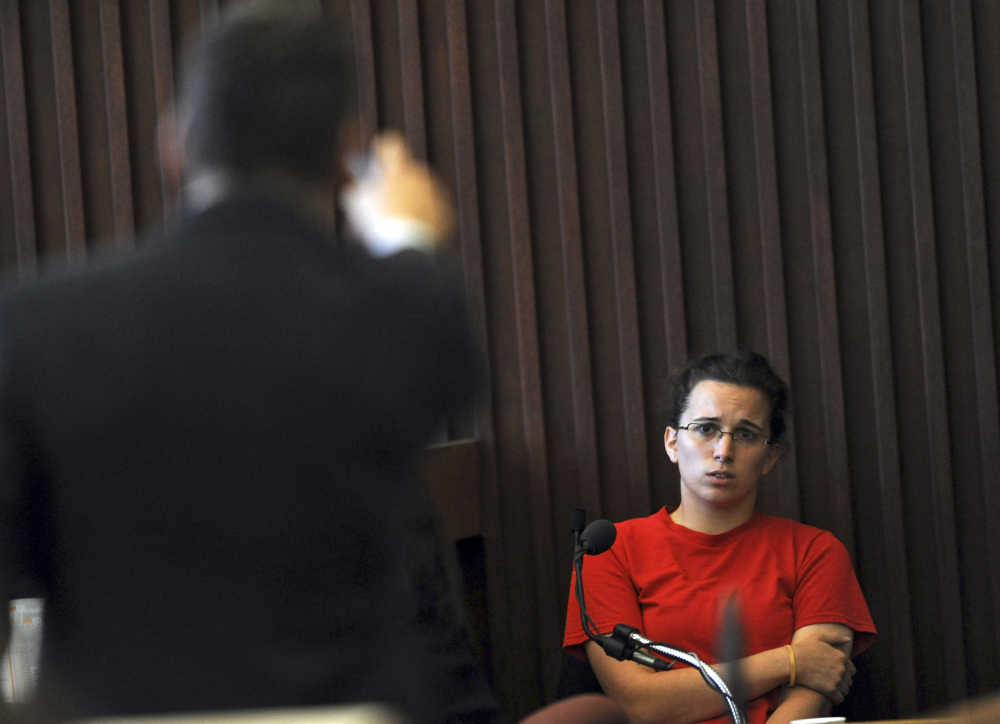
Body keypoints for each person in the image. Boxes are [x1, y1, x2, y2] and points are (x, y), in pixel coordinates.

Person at [0, 2, 500, 722]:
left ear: (174, 144)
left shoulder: (33, 326)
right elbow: (436, 312)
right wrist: (407, 231)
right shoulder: (402, 313)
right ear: (345, 152)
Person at [563, 351, 877, 724]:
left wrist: (800, 667)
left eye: (746, 434)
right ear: (672, 443)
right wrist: (788, 660)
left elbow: (813, 692)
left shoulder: (814, 551)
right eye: (705, 428)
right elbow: (641, 706)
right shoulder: (609, 550)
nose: (723, 451)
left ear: (770, 457)